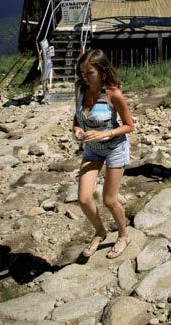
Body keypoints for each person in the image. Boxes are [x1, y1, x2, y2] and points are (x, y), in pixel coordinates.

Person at [72, 49, 135, 259]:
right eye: (82, 72)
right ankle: (100, 232)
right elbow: (76, 117)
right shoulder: (80, 88)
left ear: (102, 71)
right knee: (83, 199)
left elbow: (129, 126)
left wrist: (104, 133)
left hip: (115, 147)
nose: (84, 77)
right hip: (92, 149)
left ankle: (124, 235)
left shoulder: (113, 94)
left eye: (89, 73)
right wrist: (77, 130)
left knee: (109, 200)